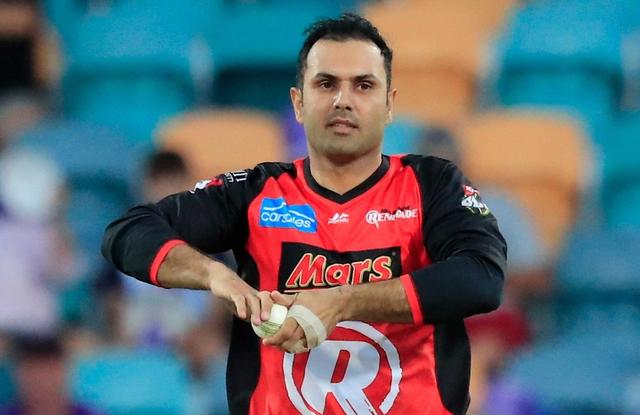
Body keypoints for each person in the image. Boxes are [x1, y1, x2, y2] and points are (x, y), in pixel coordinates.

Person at [102, 13, 506, 415]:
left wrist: (342, 302)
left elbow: (481, 278)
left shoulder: (432, 184)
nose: (342, 100)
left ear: (389, 105)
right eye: (326, 83)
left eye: (363, 85)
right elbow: (128, 231)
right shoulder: (257, 192)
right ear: (298, 103)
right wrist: (215, 276)